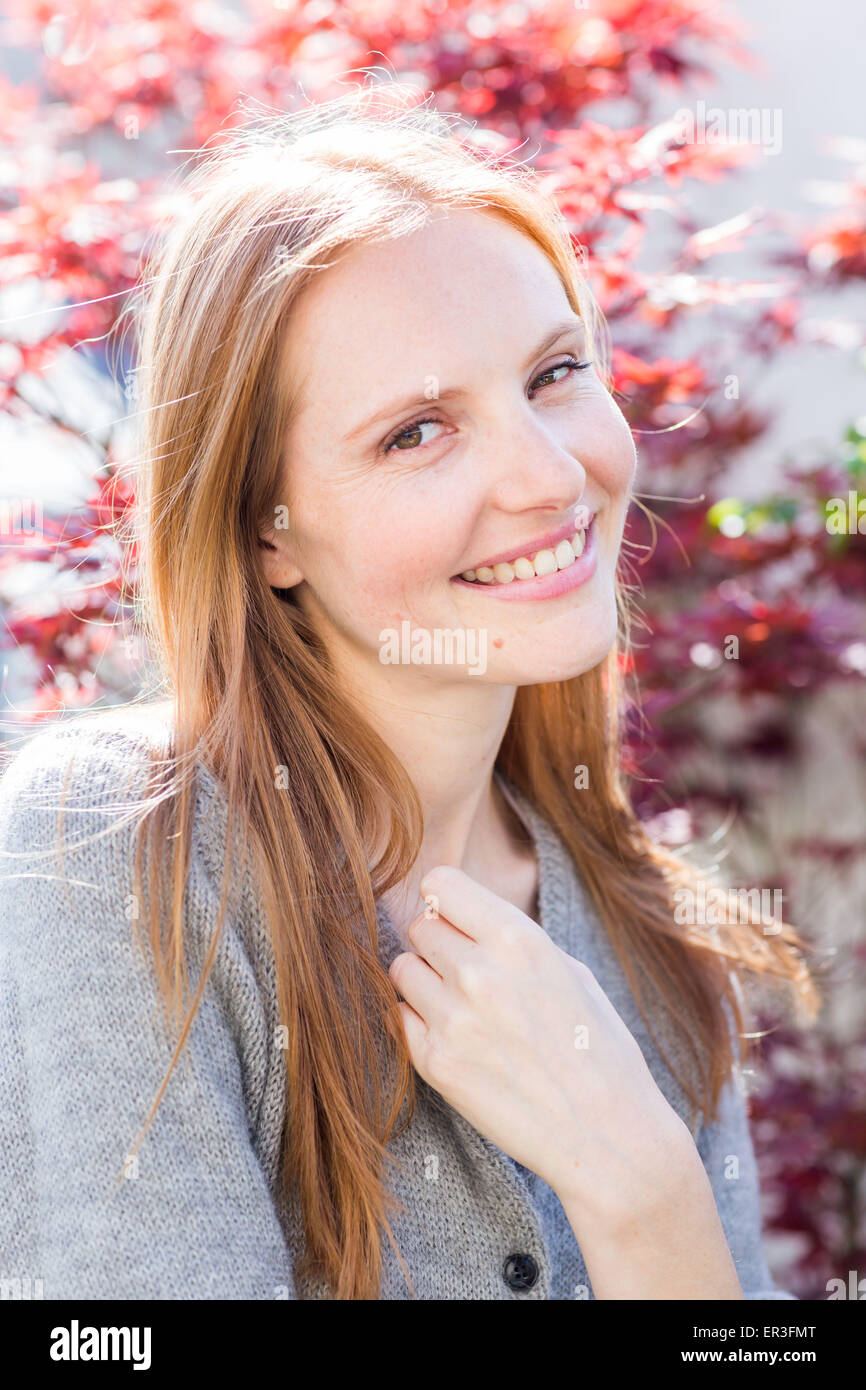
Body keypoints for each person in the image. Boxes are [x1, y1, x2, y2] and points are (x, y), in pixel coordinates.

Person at [0, 83, 819, 1301]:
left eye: (553, 372)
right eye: (416, 432)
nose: (550, 478)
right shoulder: (123, 843)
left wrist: (641, 1187)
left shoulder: (647, 943)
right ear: (265, 529)